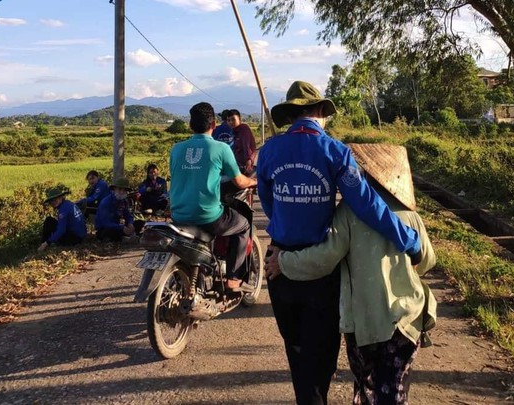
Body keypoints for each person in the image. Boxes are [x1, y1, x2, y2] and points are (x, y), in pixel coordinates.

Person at [257, 81, 422, 405]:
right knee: (322, 356)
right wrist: (409, 240)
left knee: (298, 354)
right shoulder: (335, 152)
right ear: (320, 111)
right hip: (321, 270)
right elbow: (367, 205)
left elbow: (267, 203)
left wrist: (288, 222)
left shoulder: (270, 151)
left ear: (291, 114)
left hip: (280, 266)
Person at [169, 101, 257, 291]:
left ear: (191, 125)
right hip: (207, 216)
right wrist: (255, 182)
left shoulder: (176, 149)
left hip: (177, 216)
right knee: (243, 226)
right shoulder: (221, 148)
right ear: (214, 125)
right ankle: (233, 278)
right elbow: (240, 182)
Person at [38, 185, 86, 251]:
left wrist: (47, 243)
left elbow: (61, 230)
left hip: (75, 238)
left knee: (49, 221)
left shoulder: (63, 210)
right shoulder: (68, 203)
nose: (53, 202)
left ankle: (43, 245)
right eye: (51, 201)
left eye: (55, 199)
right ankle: (46, 243)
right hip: (80, 235)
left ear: (61, 197)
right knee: (51, 221)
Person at [94, 177, 136, 242]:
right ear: (114, 189)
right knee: (109, 232)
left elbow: (128, 215)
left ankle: (127, 236)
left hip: (117, 225)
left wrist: (130, 224)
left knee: (139, 223)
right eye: (119, 189)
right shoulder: (106, 202)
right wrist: (121, 227)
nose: (122, 192)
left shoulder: (124, 201)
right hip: (106, 228)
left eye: (124, 190)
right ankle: (123, 238)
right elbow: (104, 222)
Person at [227, 108, 257, 175]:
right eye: (228, 120)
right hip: (238, 164)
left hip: (245, 166)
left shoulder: (243, 129)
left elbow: (246, 146)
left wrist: (248, 160)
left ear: (239, 119)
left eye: (233, 119)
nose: (231, 122)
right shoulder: (234, 131)